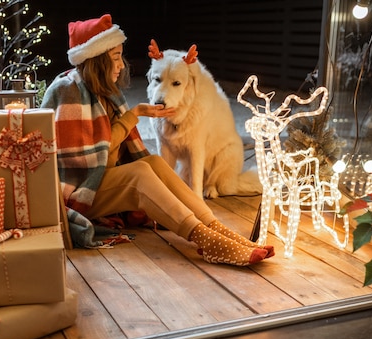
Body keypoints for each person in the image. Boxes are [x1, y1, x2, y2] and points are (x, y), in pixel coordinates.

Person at [41, 14, 273, 266]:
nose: (122, 65)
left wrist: (133, 115)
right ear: (97, 59)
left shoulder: (103, 91)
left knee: (153, 162)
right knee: (140, 171)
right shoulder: (68, 90)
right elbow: (95, 159)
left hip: (97, 181)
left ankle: (215, 227)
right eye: (116, 57)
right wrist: (134, 115)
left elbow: (105, 155)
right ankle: (205, 240)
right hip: (78, 192)